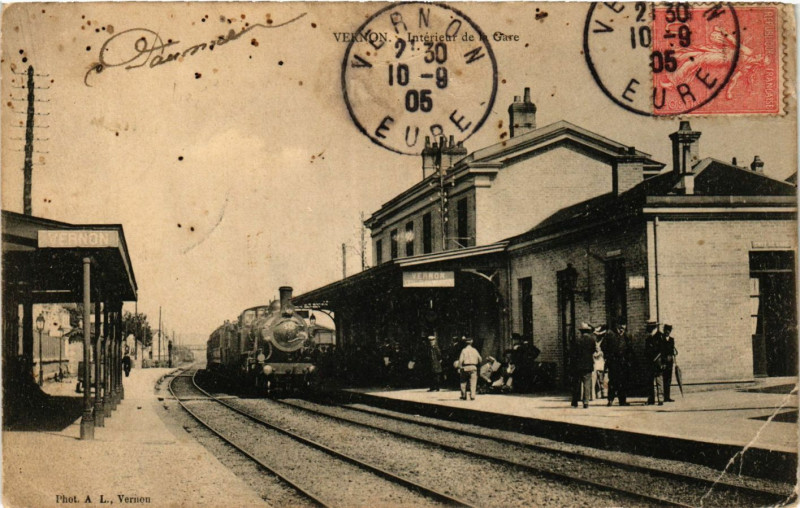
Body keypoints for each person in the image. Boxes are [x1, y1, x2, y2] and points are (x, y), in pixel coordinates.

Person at [603, 323, 632, 406]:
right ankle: (610, 400)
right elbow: (603, 347)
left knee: (623, 382)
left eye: (623, 328)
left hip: (623, 363)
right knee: (613, 382)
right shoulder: (610, 335)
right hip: (613, 363)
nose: (622, 330)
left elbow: (629, 349)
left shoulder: (626, 336)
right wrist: (608, 357)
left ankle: (622, 401)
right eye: (620, 328)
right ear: (617, 327)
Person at [571, 323, 596, 408]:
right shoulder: (592, 340)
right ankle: (586, 402)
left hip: (577, 365)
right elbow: (593, 350)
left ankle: (575, 401)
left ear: (581, 332)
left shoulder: (577, 340)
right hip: (588, 364)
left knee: (576, 384)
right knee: (587, 383)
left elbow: (573, 352)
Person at [645, 321, 665, 405]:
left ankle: (660, 398)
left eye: (650, 327)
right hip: (650, 363)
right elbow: (646, 351)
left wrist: (663, 362)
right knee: (650, 381)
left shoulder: (660, 337)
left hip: (658, 362)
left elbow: (664, 351)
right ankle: (651, 398)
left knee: (659, 380)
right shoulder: (648, 338)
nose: (648, 329)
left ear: (653, 327)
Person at [661, 324, 677, 402]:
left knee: (668, 379)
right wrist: (663, 360)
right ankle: (663, 396)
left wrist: (672, 356)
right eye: (666, 330)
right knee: (663, 379)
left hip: (670, 362)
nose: (667, 332)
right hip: (663, 362)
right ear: (664, 330)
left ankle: (667, 396)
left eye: (669, 331)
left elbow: (672, 350)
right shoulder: (661, 339)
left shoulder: (671, 340)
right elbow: (661, 351)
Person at [593, 325, 607, 400]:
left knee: (601, 377)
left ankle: (603, 392)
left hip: (601, 360)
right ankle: (598, 393)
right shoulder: (595, 341)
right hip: (596, 361)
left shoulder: (603, 341)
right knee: (597, 378)